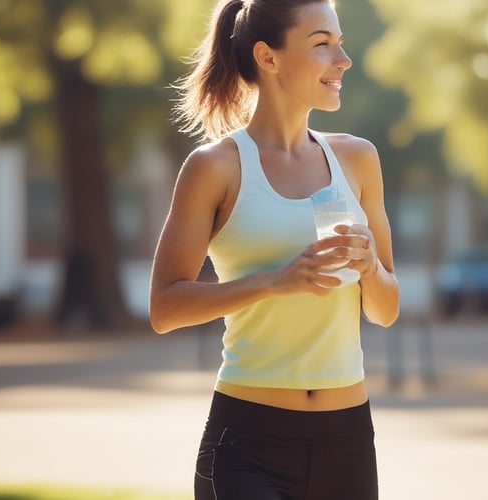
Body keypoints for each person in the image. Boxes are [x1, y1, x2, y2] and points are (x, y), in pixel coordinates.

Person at [149, 0, 399, 498]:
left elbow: (386, 310)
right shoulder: (215, 167)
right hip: (248, 443)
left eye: (340, 43)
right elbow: (165, 308)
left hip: (347, 440)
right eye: (322, 44)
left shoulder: (357, 158)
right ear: (268, 57)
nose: (343, 60)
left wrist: (370, 266)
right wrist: (276, 280)